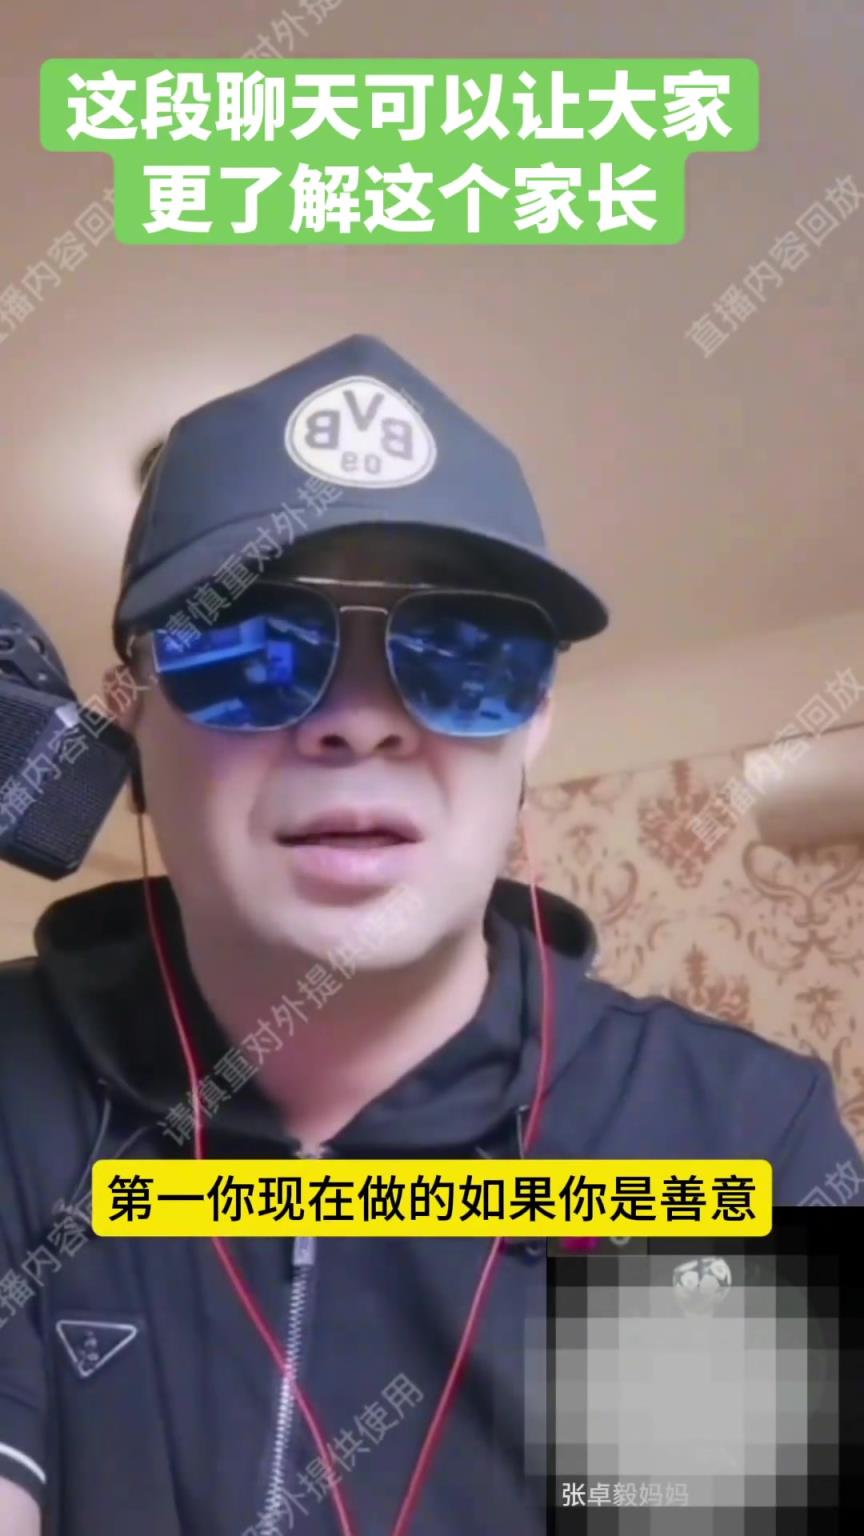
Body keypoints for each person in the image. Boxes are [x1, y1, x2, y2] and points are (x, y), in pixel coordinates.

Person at [0, 334, 860, 1536]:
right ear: (130, 713)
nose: (361, 725)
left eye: (466, 655)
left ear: (538, 718)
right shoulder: (14, 1087)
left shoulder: (714, 1136)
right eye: (252, 649)